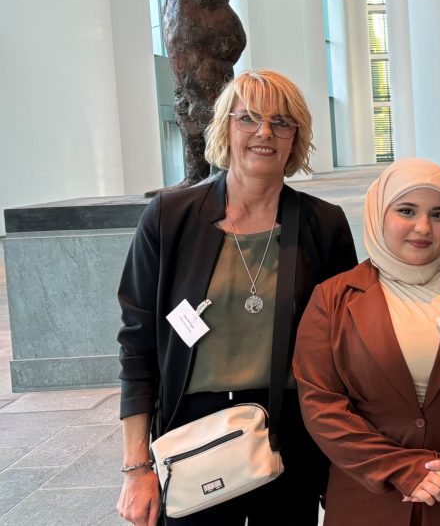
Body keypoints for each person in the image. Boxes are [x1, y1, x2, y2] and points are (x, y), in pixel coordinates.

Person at [115, 69, 357, 525]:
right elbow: (138, 345)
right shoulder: (170, 219)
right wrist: (136, 468)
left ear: (295, 138)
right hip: (193, 432)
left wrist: (342, 456)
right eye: (249, 118)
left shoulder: (323, 225)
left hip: (289, 431)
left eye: (281, 122)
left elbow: (342, 347)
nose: (265, 132)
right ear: (226, 127)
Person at [293, 158, 440, 526]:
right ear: (378, 212)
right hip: (368, 499)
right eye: (406, 210)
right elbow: (322, 405)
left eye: (439, 214)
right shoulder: (333, 298)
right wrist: (399, 468)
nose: (423, 227)